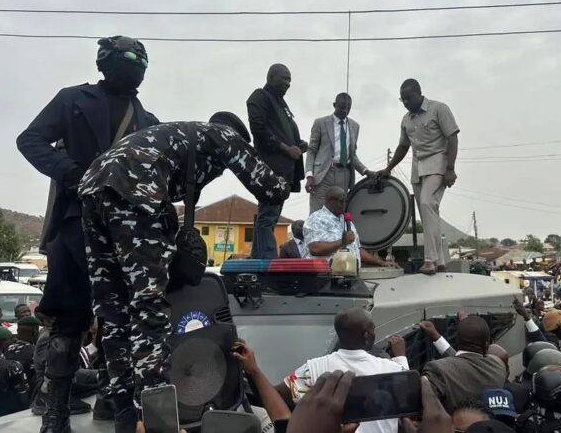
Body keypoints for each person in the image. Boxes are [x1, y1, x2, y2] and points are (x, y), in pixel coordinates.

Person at [79, 115, 289, 432]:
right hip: (135, 185)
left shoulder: (176, 137)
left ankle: (123, 414)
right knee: (149, 306)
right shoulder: (223, 135)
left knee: (113, 309)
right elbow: (271, 189)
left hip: (93, 186)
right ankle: (157, 422)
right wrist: (288, 167)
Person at [17, 35, 160, 432]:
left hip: (122, 234)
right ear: (106, 64)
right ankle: (55, 413)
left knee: (121, 321)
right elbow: (29, 140)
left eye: (140, 61)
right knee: (68, 321)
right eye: (129, 59)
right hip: (74, 227)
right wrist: (72, 172)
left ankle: (114, 404)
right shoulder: (72, 99)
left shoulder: (148, 121)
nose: (136, 66)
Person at [375, 79, 459, 275]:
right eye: (402, 99)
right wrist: (388, 168)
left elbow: (452, 137)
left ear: (419, 94)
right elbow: (403, 146)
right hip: (417, 165)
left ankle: (429, 260)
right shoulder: (406, 119)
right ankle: (440, 260)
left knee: (427, 202)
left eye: (408, 98)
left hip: (438, 161)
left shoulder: (439, 109)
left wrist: (451, 168)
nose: (405, 102)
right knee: (428, 212)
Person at [279, 307, 408, 433]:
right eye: (373, 329)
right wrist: (401, 358)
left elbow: (278, 395)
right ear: (367, 335)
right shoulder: (393, 369)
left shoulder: (312, 369)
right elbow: (409, 400)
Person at [247, 63, 307, 259]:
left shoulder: (281, 103)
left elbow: (280, 130)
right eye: (284, 78)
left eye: (290, 79)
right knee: (267, 217)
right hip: (271, 168)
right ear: (271, 77)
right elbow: (259, 129)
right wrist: (285, 148)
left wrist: (297, 144)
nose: (288, 83)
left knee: (268, 218)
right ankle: (268, 262)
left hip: (285, 170)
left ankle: (259, 259)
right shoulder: (260, 97)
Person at [422, 315, 507, 413]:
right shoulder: (498, 366)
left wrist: (400, 357)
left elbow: (461, 363)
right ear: (487, 344)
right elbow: (465, 363)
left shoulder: (437, 369)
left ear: (457, 340)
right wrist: (438, 339)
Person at [304, 93, 371, 213]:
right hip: (323, 174)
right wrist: (309, 175)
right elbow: (311, 150)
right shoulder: (320, 123)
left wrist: (365, 171)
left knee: (339, 212)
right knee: (318, 212)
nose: (345, 111)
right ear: (334, 105)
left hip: (344, 175)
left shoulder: (355, 126)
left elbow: (352, 155)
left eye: (348, 108)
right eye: (342, 107)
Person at [302, 187, 398, 268]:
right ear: (330, 201)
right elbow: (315, 249)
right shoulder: (316, 219)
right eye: (341, 201)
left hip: (351, 275)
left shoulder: (347, 221)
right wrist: (343, 242)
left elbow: (357, 249)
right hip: (326, 279)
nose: (344, 205)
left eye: (346, 201)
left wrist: (381, 263)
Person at [5, 315, 41, 400]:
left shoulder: (7, 349)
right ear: (35, 332)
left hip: (10, 395)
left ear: (18, 331)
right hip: (30, 396)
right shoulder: (35, 352)